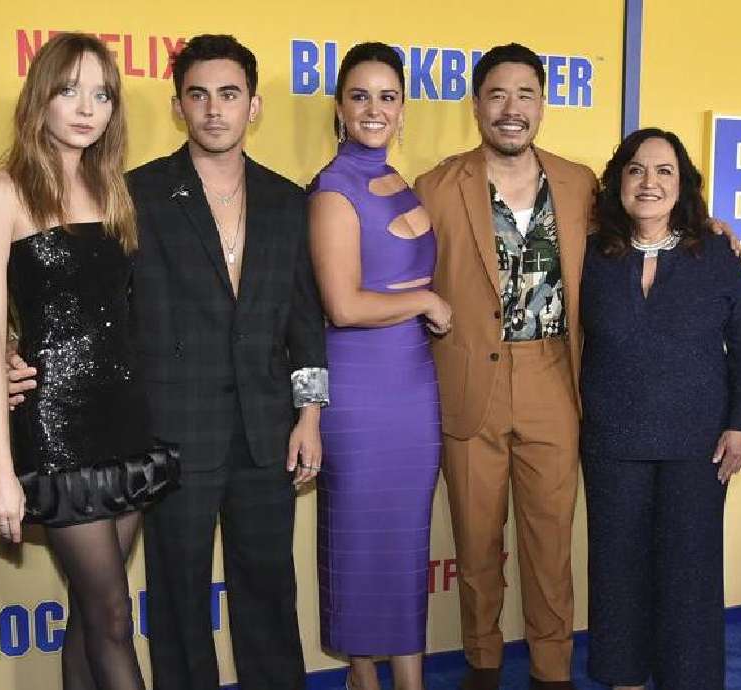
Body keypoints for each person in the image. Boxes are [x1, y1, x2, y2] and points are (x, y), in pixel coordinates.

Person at [10, 34, 328, 690]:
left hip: (268, 432)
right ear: (179, 107)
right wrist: (22, 348)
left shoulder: (287, 199)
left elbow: (305, 320)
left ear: (254, 105)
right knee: (179, 603)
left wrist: (311, 413)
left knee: (270, 595)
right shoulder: (134, 194)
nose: (215, 109)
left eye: (230, 95)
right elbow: (86, 295)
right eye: (199, 95)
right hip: (170, 430)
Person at [0, 33, 175, 690]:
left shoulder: (112, 190)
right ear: (41, 97)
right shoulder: (2, 193)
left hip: (125, 423)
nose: (86, 108)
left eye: (102, 94)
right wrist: (1, 471)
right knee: (113, 617)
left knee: (90, 617)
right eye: (69, 90)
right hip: (57, 430)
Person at [413, 43, 595, 690]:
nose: (511, 110)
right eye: (497, 95)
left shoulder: (582, 185)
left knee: (551, 547)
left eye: (525, 95)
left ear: (542, 104)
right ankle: (483, 665)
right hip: (470, 387)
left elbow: (645, 230)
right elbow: (395, 270)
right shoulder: (437, 187)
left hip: (554, 377)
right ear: (476, 106)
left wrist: (705, 227)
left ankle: (553, 672)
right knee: (477, 545)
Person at [579, 128, 741, 690]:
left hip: (698, 443)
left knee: (690, 575)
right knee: (617, 574)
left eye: (664, 171)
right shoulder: (590, 255)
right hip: (612, 443)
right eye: (636, 170)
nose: (649, 182)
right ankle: (625, 679)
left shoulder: (716, 255)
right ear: (618, 184)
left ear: (682, 185)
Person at [306, 42, 447, 690]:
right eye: (360, 96)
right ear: (339, 108)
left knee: (404, 546)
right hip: (360, 398)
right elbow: (341, 305)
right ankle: (365, 678)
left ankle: (411, 681)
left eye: (386, 97)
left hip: (414, 391)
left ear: (402, 109)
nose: (374, 109)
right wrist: (423, 300)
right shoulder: (334, 190)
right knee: (362, 547)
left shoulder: (400, 181)